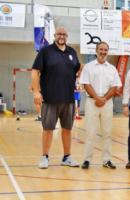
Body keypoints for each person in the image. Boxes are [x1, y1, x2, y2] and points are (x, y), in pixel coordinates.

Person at [32, 27, 81, 169]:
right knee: (48, 129)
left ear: (67, 36)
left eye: (64, 34)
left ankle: (67, 157)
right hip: (50, 98)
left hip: (68, 99)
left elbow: (78, 69)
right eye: (59, 34)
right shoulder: (45, 52)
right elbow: (35, 72)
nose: (61, 36)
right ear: (54, 35)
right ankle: (45, 157)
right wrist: (36, 92)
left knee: (67, 129)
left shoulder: (72, 52)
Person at [80, 41, 122, 170]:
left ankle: (107, 160)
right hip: (91, 102)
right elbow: (86, 84)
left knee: (107, 133)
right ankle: (87, 160)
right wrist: (97, 98)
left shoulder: (112, 68)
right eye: (101, 50)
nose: (103, 52)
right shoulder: (88, 67)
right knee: (90, 133)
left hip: (107, 103)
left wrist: (104, 99)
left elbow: (115, 86)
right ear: (96, 51)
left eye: (105, 50)